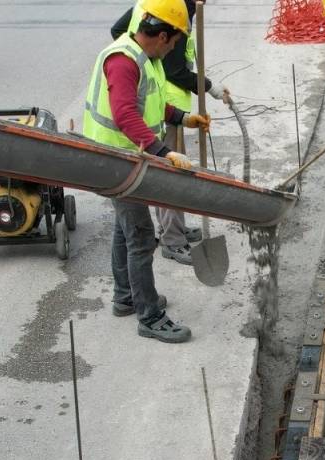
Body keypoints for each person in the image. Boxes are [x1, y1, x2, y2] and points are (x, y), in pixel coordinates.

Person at [82, 0, 210, 343]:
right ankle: (149, 316)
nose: (173, 48)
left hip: (123, 157)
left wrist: (183, 118)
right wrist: (164, 152)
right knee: (140, 235)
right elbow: (125, 115)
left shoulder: (145, 57)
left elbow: (150, 101)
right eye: (173, 41)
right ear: (162, 35)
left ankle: (126, 297)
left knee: (125, 231)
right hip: (116, 159)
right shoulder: (124, 61)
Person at [110, 0, 231, 265]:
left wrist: (140, 65)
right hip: (161, 107)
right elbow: (174, 70)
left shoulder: (153, 4)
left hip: (161, 106)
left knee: (166, 175)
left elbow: (116, 29)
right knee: (172, 176)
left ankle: (172, 229)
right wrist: (207, 86)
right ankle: (173, 239)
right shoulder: (173, 12)